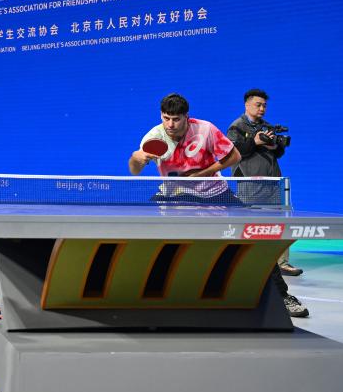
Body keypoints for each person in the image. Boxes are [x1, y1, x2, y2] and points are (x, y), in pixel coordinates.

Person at [128, 93, 308, 318]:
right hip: (174, 195)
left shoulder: (205, 130)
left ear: (186, 117)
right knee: (143, 234)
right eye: (166, 118)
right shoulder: (154, 137)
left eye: (176, 119)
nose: (170, 124)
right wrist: (136, 158)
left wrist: (203, 173)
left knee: (256, 238)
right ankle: (143, 295)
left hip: (215, 193)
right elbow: (134, 170)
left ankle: (282, 296)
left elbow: (234, 157)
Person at [227, 88, 303, 278]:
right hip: (250, 184)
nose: (262, 109)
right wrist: (255, 142)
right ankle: (245, 263)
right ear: (247, 105)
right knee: (250, 225)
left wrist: (274, 145)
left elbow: (278, 153)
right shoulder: (236, 127)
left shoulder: (267, 126)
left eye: (264, 106)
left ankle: (282, 263)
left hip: (273, 181)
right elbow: (235, 152)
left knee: (280, 222)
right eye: (258, 105)